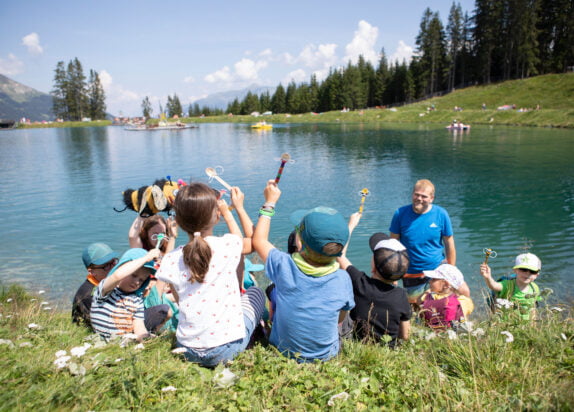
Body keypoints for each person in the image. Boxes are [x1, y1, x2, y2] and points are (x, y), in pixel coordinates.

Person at [154, 183, 265, 367]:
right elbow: (251, 241)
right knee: (256, 294)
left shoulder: (170, 260)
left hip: (187, 350)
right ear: (217, 216)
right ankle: (252, 338)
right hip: (226, 350)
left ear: (179, 223)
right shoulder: (227, 246)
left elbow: (180, 301)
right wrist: (235, 209)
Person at [252, 180, 355, 362]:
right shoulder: (342, 278)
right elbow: (341, 317)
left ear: (299, 242)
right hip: (325, 356)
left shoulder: (284, 265)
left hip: (283, 350)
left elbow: (258, 240)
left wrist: (270, 202)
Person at [337, 212, 411, 347]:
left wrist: (351, 225)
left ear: (374, 267)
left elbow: (339, 254)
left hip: (358, 346)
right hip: (388, 352)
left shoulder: (360, 282)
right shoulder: (401, 296)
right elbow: (405, 335)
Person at [389, 179, 469, 302]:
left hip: (438, 268)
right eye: (416, 194)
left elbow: (449, 242)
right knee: (418, 305)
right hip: (412, 271)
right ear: (412, 194)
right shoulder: (400, 214)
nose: (419, 198)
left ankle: (461, 320)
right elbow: (393, 245)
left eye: (424, 196)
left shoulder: (441, 214)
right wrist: (393, 275)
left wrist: (451, 269)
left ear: (431, 198)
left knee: (463, 292)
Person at [90, 248, 171, 342]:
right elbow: (117, 276)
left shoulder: (136, 300)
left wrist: (144, 338)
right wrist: (146, 258)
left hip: (122, 345)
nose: (137, 282)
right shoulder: (106, 289)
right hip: (101, 342)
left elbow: (139, 326)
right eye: (134, 275)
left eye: (141, 280)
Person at [480, 253, 542, 321]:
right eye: (523, 269)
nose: (527, 273)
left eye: (532, 271)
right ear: (515, 270)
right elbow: (494, 286)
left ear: (537, 275)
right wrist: (488, 277)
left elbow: (533, 308)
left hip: (525, 325)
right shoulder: (508, 285)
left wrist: (533, 324)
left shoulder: (534, 288)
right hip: (506, 324)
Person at [72, 243, 119, 328]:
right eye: (106, 266)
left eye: (113, 262)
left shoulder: (108, 282)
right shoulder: (88, 296)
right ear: (91, 271)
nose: (113, 267)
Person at [418, 264, 468, 330]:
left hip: (431, 330)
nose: (430, 281)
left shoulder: (428, 296)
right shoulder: (462, 300)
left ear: (446, 284)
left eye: (433, 279)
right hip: (453, 330)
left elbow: (418, 301)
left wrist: (427, 291)